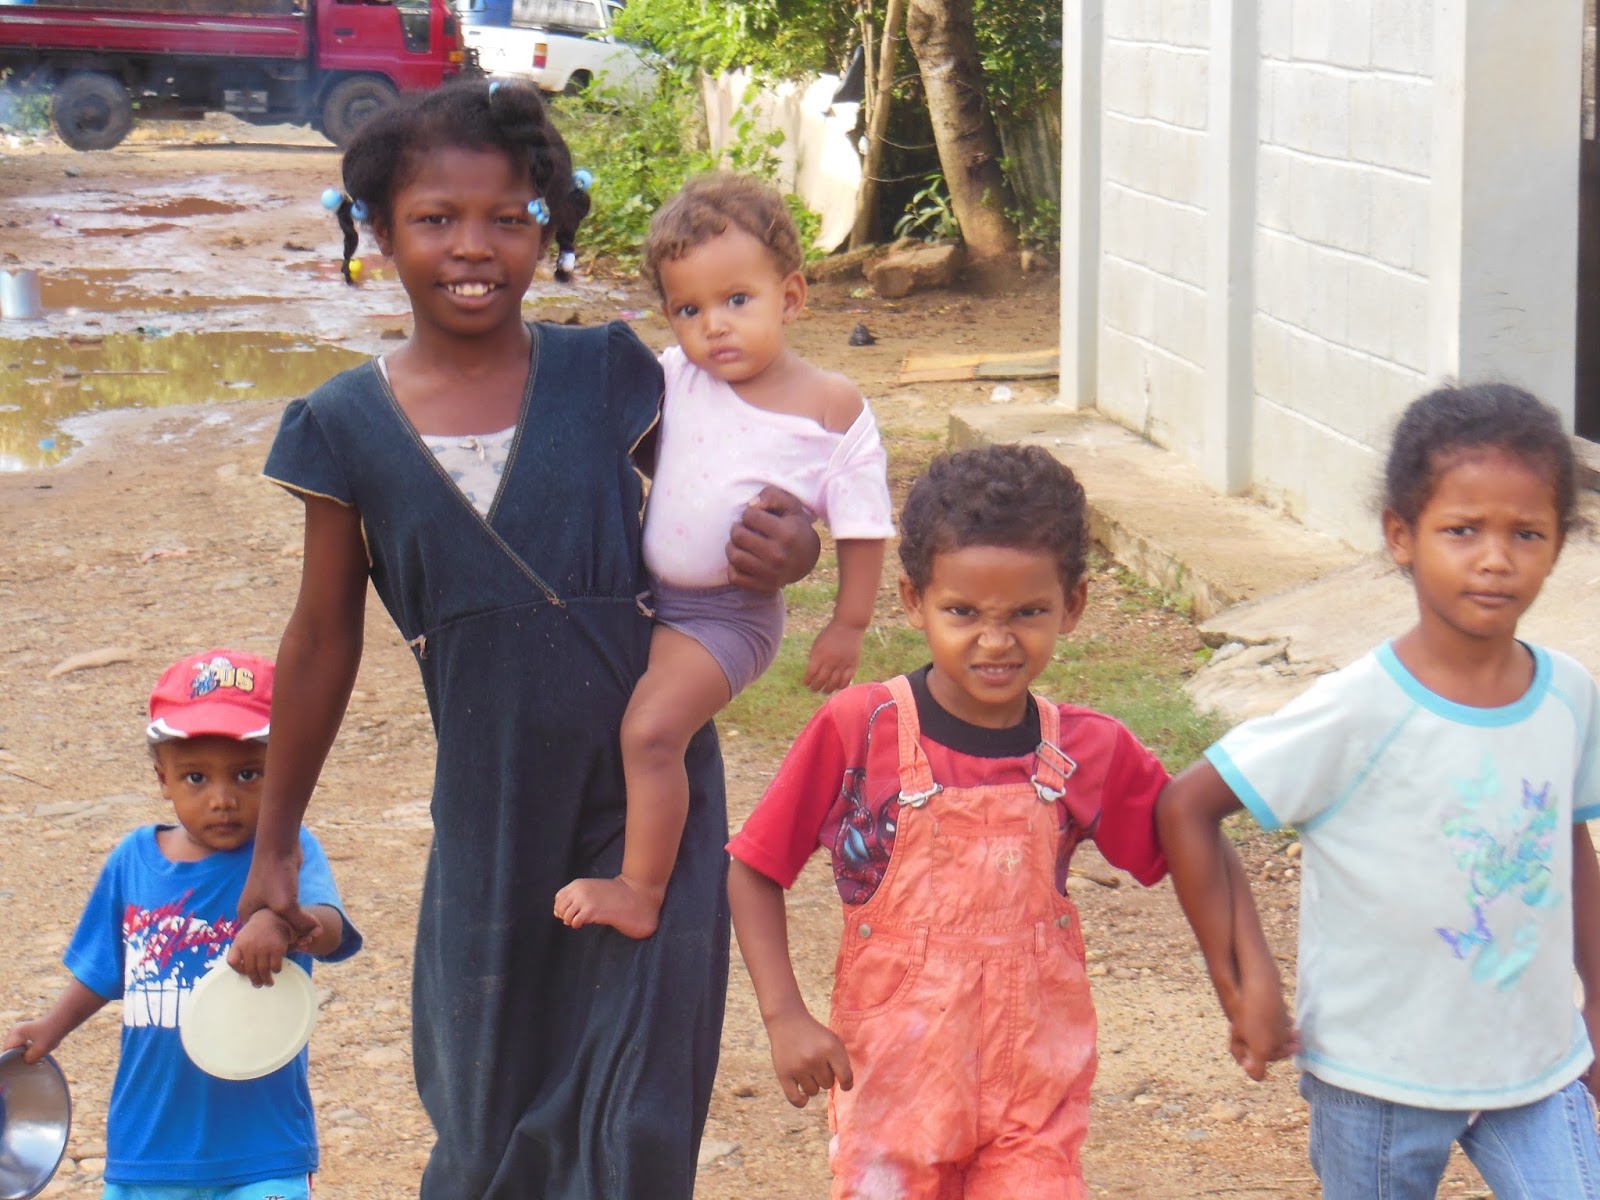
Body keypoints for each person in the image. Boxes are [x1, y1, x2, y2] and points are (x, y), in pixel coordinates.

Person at [237, 80, 821, 1200]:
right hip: (492, 819)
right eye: (435, 219)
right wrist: (276, 844)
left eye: (509, 217)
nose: (474, 246)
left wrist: (789, 547)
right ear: (377, 231)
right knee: (487, 1124)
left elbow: (740, 493)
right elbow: (320, 642)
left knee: (636, 1121)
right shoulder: (341, 427)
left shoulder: (613, 375)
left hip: (646, 807)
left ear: (548, 227)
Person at [1158, 382, 1600, 1199]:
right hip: (1377, 1078)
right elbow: (1188, 805)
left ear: (1559, 544)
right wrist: (1244, 981)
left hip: (1537, 1067)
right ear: (1401, 536)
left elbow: (1567, 843)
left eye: (1526, 532)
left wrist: (1597, 1006)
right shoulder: (1358, 708)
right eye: (1462, 530)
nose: (1495, 558)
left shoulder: (1568, 694)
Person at [725, 443, 1172, 1198]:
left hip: (1034, 1095)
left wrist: (1244, 976)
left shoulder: (1086, 749)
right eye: (963, 612)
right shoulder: (860, 729)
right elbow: (753, 866)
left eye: (1027, 612)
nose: (995, 641)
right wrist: (784, 1016)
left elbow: (1188, 840)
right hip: (895, 1093)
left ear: (1072, 606)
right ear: (913, 600)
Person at [554, 172, 894, 940]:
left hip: (728, 617)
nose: (715, 326)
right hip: (648, 597)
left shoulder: (830, 406)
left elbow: (863, 525)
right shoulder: (676, 378)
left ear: (791, 297)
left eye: (738, 300)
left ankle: (640, 891)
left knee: (650, 733)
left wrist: (847, 625)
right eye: (689, 309)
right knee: (606, 719)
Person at [2, 649, 361, 1200]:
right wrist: (53, 1026)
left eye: (248, 774)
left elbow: (331, 929)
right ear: (163, 779)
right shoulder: (132, 862)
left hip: (263, 1146)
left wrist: (285, 924)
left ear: (285, 773)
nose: (223, 799)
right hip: (149, 1147)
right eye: (196, 777)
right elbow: (103, 971)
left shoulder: (287, 853)